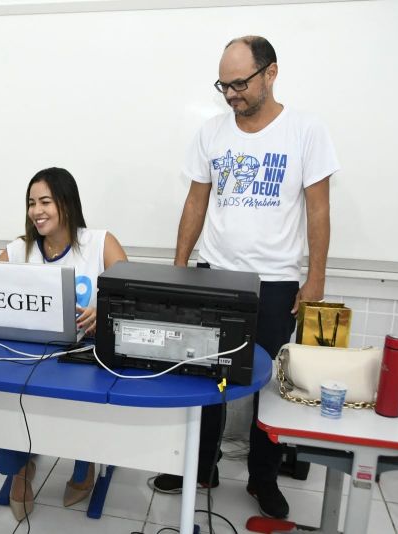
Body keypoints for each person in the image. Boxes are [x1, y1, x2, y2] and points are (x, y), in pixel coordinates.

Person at [154, 36, 339, 519]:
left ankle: (262, 478)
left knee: (268, 388)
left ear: (270, 73)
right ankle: (201, 467)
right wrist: (180, 265)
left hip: (276, 282)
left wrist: (314, 277)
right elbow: (196, 202)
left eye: (240, 83)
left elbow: (318, 210)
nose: (231, 94)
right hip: (214, 276)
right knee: (203, 376)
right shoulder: (212, 133)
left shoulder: (306, 131)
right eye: (224, 85)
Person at [0, 167, 127, 520]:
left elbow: (130, 294)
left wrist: (102, 307)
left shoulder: (100, 243)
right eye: (31, 203)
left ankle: (83, 463)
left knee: (79, 398)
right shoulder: (20, 249)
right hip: (29, 358)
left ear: (67, 204)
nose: (36, 211)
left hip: (83, 358)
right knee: (14, 395)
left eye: (45, 201)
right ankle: (20, 468)